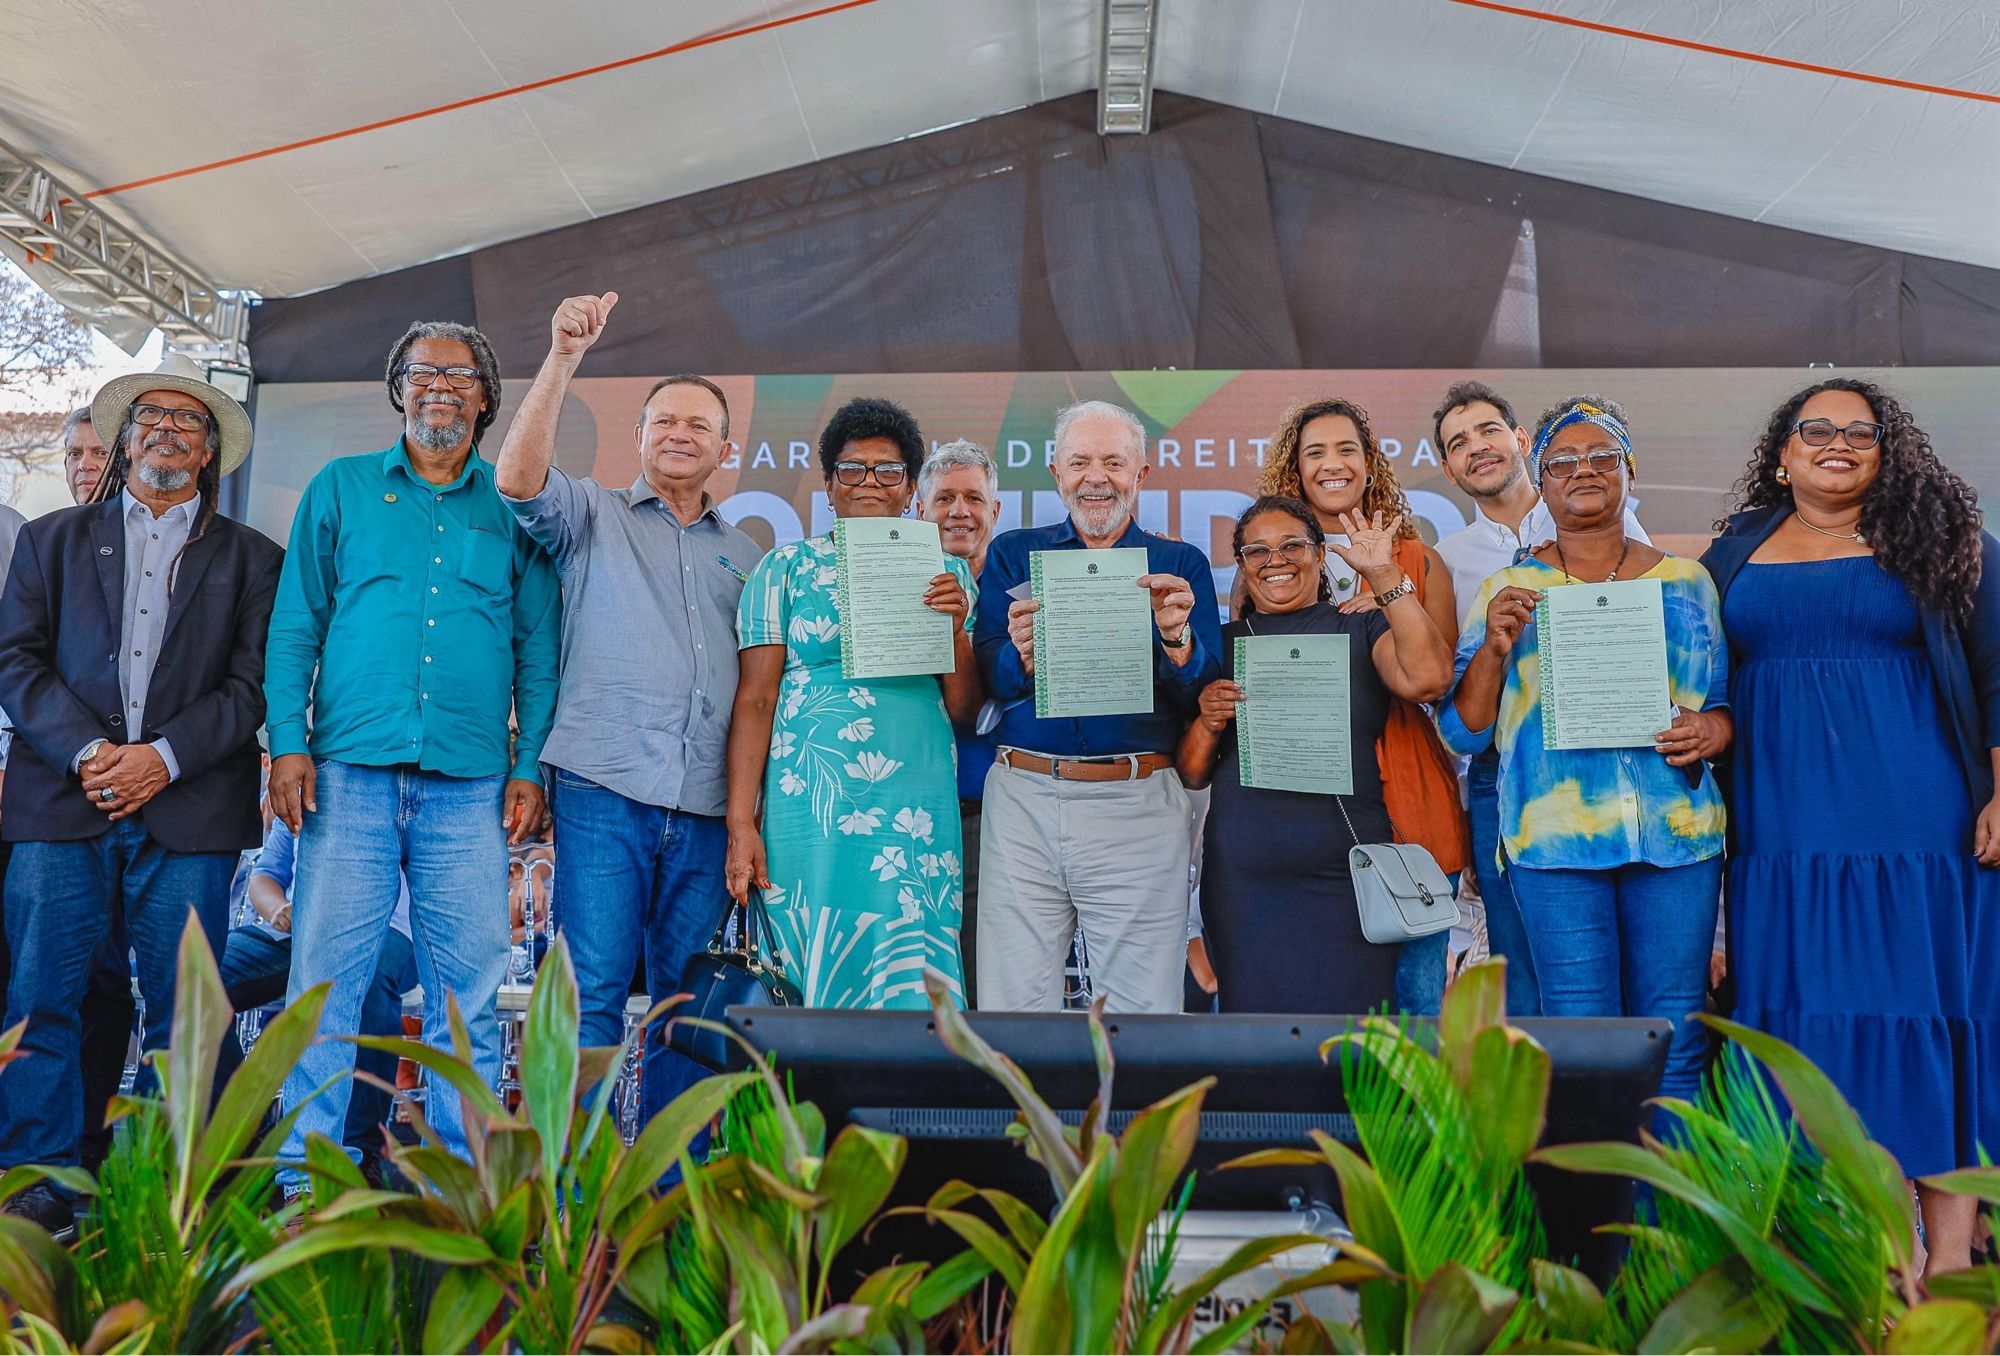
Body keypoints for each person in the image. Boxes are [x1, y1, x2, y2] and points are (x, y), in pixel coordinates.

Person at [1701, 378, 1999, 1276]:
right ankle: (1857, 1265)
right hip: (1784, 838)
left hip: (1920, 834)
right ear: (1783, 452)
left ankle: (1948, 1272)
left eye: (1859, 433)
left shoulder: (1945, 540)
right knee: (1807, 1033)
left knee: (1930, 1021)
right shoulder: (1733, 552)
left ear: (1888, 450)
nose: (1837, 443)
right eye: (1816, 430)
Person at [265, 321, 559, 1193]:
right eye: (421, 372)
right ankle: (301, 1184)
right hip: (345, 776)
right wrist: (287, 742)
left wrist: (530, 764)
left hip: (470, 786)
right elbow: (295, 628)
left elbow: (538, 652)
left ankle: (454, 1187)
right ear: (397, 388)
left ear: (485, 398)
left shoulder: (512, 508)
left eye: (459, 375)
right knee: (324, 987)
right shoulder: (340, 487)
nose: (439, 386)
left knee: (465, 992)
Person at [0, 354, 280, 1237]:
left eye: (187, 422)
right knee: (40, 1000)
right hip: (59, 805)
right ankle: (41, 1185)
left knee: (184, 1010)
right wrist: (92, 752)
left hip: (189, 815)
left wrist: (161, 757)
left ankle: (167, 1183)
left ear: (209, 453)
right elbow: (15, 662)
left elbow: (254, 684)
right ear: (124, 441)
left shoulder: (253, 558)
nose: (165, 429)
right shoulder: (50, 540)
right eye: (149, 417)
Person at [496, 293, 760, 1123]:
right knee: (590, 1002)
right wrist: (562, 358)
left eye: (698, 424)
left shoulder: (750, 555)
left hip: (711, 807)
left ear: (728, 446)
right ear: (639, 437)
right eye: (663, 421)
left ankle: (670, 1213)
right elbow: (515, 478)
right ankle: (576, 1215)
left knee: (690, 1014)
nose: (680, 434)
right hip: (603, 791)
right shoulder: (590, 514)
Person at [1438, 395, 1729, 1112]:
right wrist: (1495, 652)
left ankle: (1672, 1223)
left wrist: (1713, 732)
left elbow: (1723, 709)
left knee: (1677, 1040)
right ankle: (1596, 1225)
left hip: (1677, 841)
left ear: (1630, 471)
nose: (1584, 471)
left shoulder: (1688, 584)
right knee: (1581, 1043)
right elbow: (1462, 732)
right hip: (1556, 846)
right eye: (1562, 463)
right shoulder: (1511, 590)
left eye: (1603, 456)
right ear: (1543, 481)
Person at [726, 397, 978, 1008]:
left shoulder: (947, 571)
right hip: (809, 805)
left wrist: (955, 628)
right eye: (852, 469)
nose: (870, 482)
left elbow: (966, 709)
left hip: (914, 804)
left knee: (912, 977)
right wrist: (740, 820)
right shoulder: (782, 568)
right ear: (830, 486)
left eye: (888, 471)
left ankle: (914, 1104)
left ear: (911, 489)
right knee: (806, 967)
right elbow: (756, 699)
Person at [972, 400, 1220, 1014]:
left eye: (1114, 461)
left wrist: (1176, 639)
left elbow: (1206, 693)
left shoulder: (1179, 565)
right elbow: (987, 675)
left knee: (1142, 1012)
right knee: (1012, 1007)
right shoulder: (1012, 553)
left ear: (1142, 472)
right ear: (1056, 471)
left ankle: (1134, 1117)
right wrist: (1022, 658)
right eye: (1080, 461)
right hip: (1023, 798)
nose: (1096, 476)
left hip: (1138, 801)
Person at [1431, 381, 1653, 1016]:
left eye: (1488, 430)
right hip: (1504, 773)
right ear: (1448, 468)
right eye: (1458, 443)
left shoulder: (1610, 514)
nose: (1477, 448)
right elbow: (1449, 703)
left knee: (1628, 976)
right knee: (1526, 976)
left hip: (1615, 759)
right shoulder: (1447, 562)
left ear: (1521, 439)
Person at [1179, 496, 1452, 1012]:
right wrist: (1209, 720)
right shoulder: (1220, 643)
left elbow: (1429, 678)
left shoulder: (1359, 626)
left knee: (1352, 1049)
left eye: (1292, 546)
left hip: (1346, 876)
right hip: (1244, 882)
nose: (1275, 560)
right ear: (1239, 566)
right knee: (1256, 1043)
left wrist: (1384, 573)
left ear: (1321, 553)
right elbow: (1191, 773)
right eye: (1256, 551)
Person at [1257, 397, 1465, 1015]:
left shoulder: (1416, 560)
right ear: (1294, 470)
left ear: (1371, 463)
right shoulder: (1271, 566)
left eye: (1347, 448)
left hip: (1406, 798)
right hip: (1302, 803)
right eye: (1314, 452)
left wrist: (1388, 596)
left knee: (1414, 1003)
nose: (1333, 464)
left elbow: (1437, 680)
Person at [216, 817, 415, 1173]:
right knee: (202, 979)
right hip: (300, 931)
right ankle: (245, 1128)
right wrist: (278, 908)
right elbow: (265, 877)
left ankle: (361, 1151)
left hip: (390, 930)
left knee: (369, 979)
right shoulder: (299, 793)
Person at [915, 438, 1002, 1004]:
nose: (959, 511)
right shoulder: (889, 587)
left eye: (974, 497)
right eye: (944, 498)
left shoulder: (1021, 587)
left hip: (991, 818)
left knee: (981, 978)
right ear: (918, 510)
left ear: (996, 511)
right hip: (904, 815)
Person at [60, 406, 109, 505]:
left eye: (101, 453)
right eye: (75, 454)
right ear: (66, 466)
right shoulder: (53, 520)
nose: (84, 466)